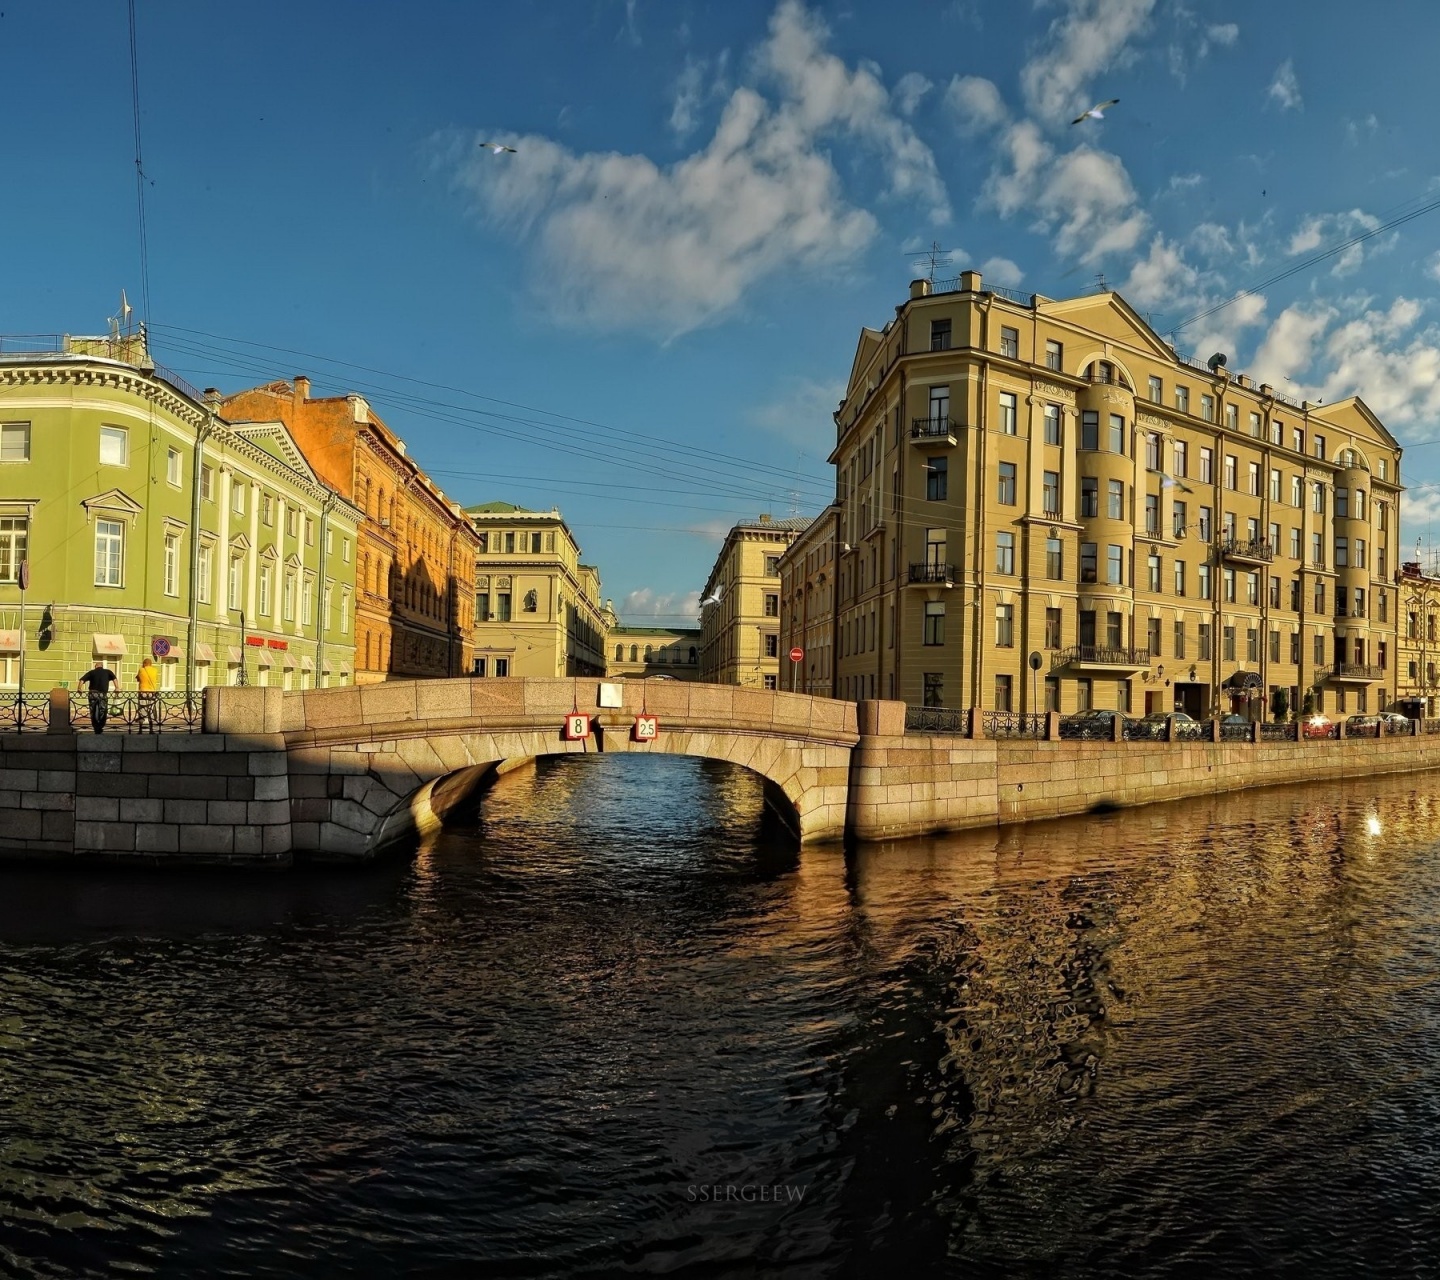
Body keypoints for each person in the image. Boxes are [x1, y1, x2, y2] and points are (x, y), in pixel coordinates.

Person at [78, 659, 119, 734]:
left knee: (93, 710)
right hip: (102, 694)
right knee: (103, 710)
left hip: (93, 694)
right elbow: (115, 679)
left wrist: (79, 688)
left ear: (95, 666)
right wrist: (117, 687)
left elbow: (82, 680)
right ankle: (101, 726)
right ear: (102, 666)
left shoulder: (91, 672)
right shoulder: (108, 671)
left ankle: (95, 727)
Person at [136, 656, 160, 732]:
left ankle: (140, 729)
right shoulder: (155, 670)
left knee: (141, 710)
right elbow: (155, 679)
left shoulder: (141, 670)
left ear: (144, 664)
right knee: (151, 710)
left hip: (143, 692)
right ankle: (151, 729)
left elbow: (138, 679)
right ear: (151, 664)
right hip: (152, 693)